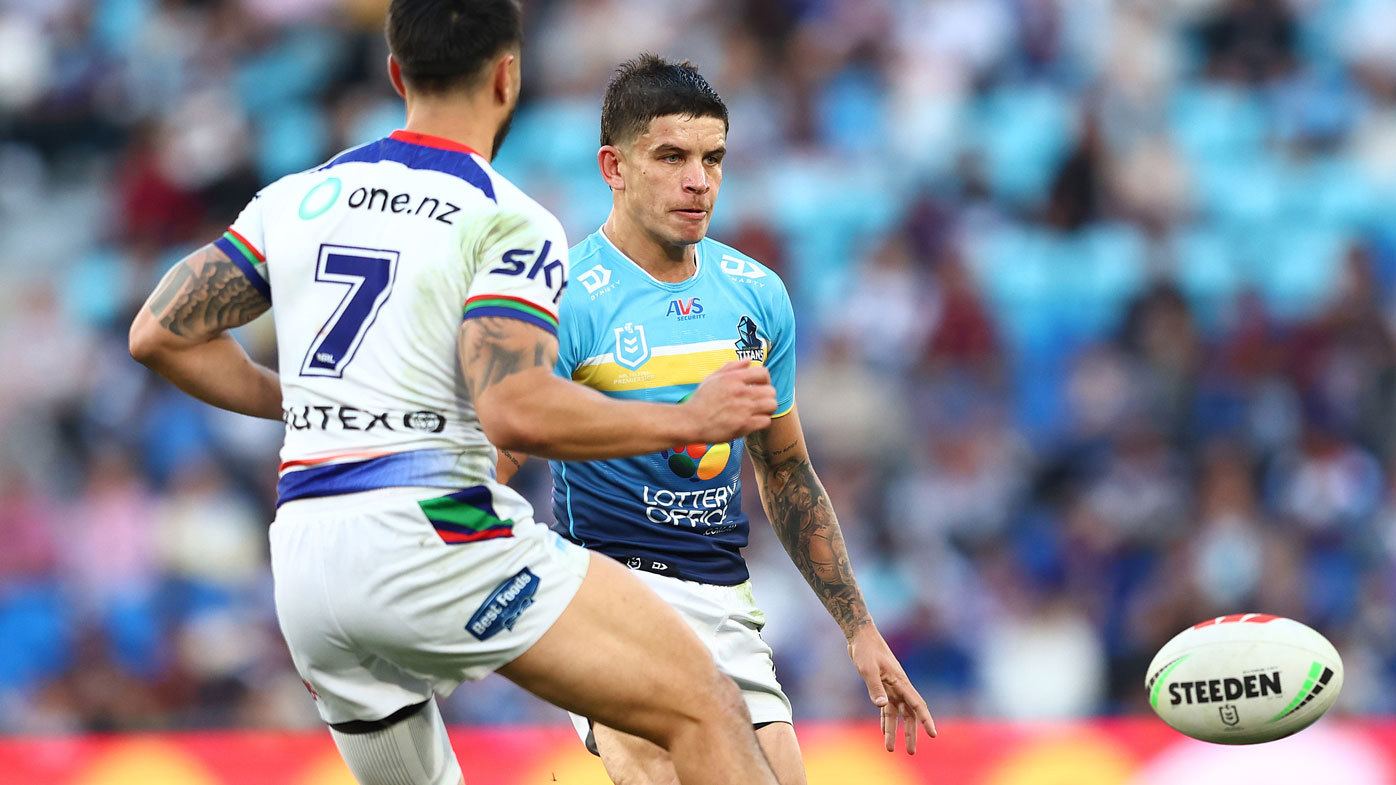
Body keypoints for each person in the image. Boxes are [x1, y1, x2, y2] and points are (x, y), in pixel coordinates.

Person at [128, 4, 784, 785]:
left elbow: (159, 333)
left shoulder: (297, 198)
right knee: (705, 700)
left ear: (397, 74)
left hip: (306, 558)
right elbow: (517, 409)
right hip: (436, 526)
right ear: (509, 77)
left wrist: (305, 400)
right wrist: (687, 416)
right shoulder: (504, 216)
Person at [502, 54, 937, 785]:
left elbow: (787, 469)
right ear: (614, 165)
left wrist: (859, 629)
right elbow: (493, 462)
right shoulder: (567, 297)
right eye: (671, 156)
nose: (698, 180)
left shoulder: (756, 295)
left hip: (722, 598)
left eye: (713, 158)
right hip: (610, 593)